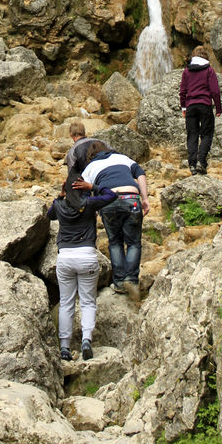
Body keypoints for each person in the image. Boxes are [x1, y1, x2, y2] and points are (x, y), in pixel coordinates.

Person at [47, 171, 117, 362]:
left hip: (65, 258)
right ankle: (86, 340)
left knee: (66, 302)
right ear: (81, 187)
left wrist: (61, 196)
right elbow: (112, 195)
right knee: (87, 301)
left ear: (66, 189)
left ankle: (64, 347)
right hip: (86, 256)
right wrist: (92, 187)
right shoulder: (89, 204)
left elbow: (49, 215)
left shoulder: (59, 205)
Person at [77, 141, 149, 303]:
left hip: (108, 201)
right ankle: (131, 280)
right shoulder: (122, 158)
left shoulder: (89, 168)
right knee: (134, 243)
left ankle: (119, 283)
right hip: (131, 197)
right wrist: (145, 198)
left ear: (90, 156)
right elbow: (141, 173)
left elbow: (83, 192)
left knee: (115, 242)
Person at [179, 45, 222, 175]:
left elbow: (182, 91)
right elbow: (215, 91)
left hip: (191, 106)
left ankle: (192, 165)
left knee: (192, 135)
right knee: (207, 134)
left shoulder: (187, 71)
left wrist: (183, 107)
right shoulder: (209, 70)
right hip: (205, 105)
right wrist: (218, 108)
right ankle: (201, 162)